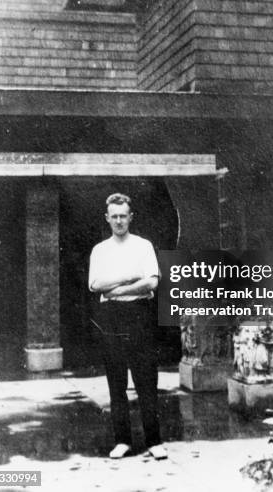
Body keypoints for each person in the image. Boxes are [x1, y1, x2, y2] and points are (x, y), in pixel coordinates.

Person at [88, 193, 167, 460]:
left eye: (124, 216)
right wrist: (130, 276)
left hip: (139, 314)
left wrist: (117, 288)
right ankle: (122, 440)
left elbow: (151, 283)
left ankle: (154, 441)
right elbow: (96, 284)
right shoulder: (100, 250)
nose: (119, 221)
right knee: (116, 380)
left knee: (146, 379)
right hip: (111, 316)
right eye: (115, 216)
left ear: (130, 217)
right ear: (107, 218)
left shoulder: (143, 246)